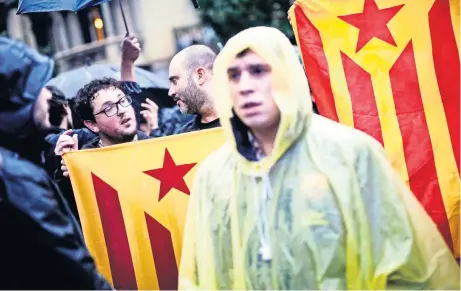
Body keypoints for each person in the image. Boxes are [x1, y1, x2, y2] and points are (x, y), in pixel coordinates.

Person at [178, 27, 460, 290]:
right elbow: (200, 275)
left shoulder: (351, 155)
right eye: (234, 75)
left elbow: (407, 265)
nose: (245, 86)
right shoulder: (214, 177)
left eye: (259, 70)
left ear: (287, 75)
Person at [0, 37, 111, 289]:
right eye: (38, 84)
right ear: (17, 98)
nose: (45, 94)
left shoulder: (16, 162)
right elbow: (78, 272)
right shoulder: (17, 177)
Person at [168, 45, 220, 133]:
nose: (170, 92)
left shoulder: (245, 122)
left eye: (174, 81)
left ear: (200, 76)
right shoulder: (184, 137)